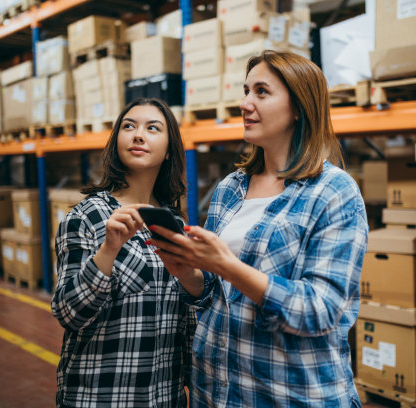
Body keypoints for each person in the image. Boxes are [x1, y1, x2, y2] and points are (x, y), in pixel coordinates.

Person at [149, 51, 368, 407]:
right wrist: (189, 272)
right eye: (246, 90)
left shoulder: (334, 193)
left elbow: (321, 311)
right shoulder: (229, 189)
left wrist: (227, 266)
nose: (245, 103)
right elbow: (214, 296)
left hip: (290, 394)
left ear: (299, 107)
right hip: (216, 391)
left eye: (262, 92)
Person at [51, 97, 196, 408]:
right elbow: (68, 313)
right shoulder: (86, 217)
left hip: (164, 398)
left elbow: (187, 324)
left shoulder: (174, 223)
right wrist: (109, 248)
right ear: (117, 140)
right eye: (129, 126)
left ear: (169, 149)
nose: (138, 134)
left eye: (152, 128)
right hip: (100, 397)